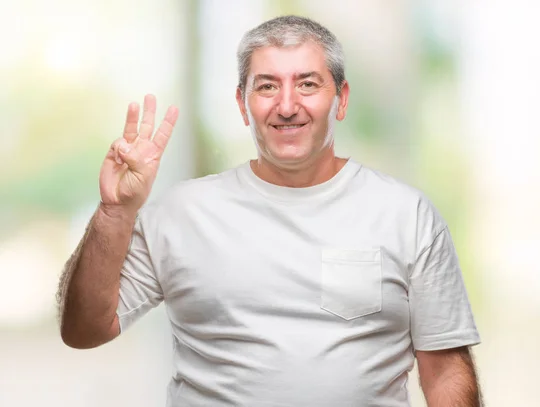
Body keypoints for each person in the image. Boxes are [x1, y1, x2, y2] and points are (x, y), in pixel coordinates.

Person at [57, 15, 483, 407]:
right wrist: (115, 211)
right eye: (266, 86)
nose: (286, 105)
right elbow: (83, 330)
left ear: (342, 98)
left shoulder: (406, 215)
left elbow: (445, 372)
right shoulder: (180, 213)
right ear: (243, 104)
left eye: (307, 84)